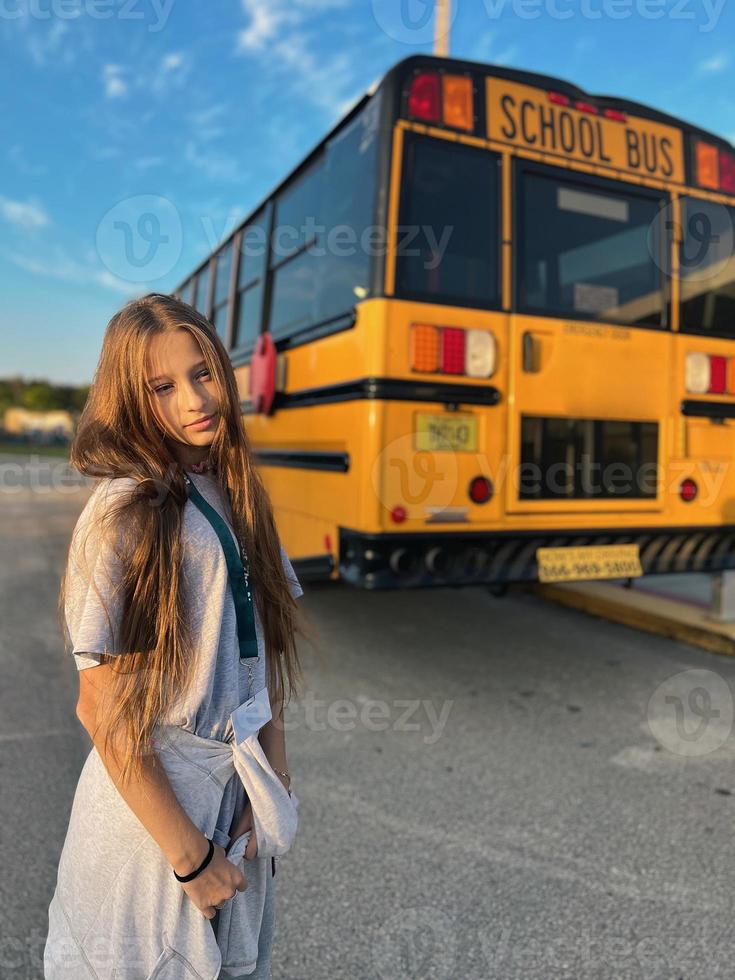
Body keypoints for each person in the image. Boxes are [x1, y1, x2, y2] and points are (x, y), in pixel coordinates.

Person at [44, 293, 306, 979]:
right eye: (162, 387)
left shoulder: (237, 489)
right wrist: (190, 860)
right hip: (156, 823)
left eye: (203, 373)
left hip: (237, 800)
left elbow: (266, 656)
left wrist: (271, 783)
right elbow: (103, 710)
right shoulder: (126, 510)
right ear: (128, 397)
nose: (195, 399)